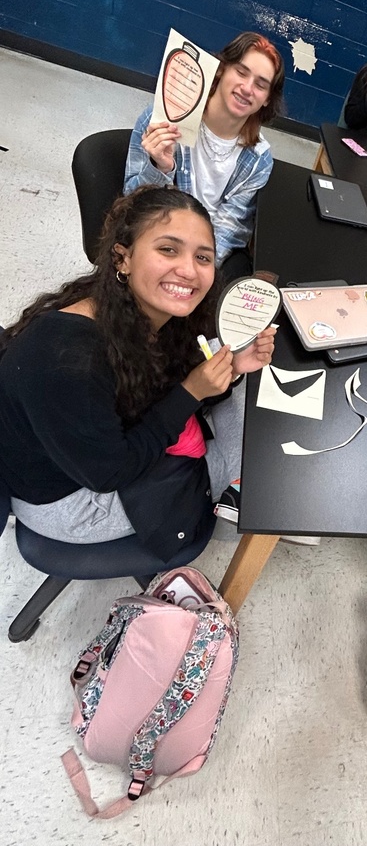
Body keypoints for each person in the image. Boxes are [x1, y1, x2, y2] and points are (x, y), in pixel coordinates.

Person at [0, 187, 275, 559]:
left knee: (249, 399)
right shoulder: (67, 360)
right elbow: (110, 473)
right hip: (70, 500)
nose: (189, 270)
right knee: (251, 454)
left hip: (95, 450)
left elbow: (155, 389)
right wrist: (191, 393)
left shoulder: (141, 313)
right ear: (123, 257)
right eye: (168, 249)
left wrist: (234, 368)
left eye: (203, 257)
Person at [124, 31, 286, 283]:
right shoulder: (163, 119)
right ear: (220, 70)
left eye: (261, 84)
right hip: (158, 230)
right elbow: (130, 203)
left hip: (206, 250)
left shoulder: (258, 158)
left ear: (267, 100)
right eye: (241, 72)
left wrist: (198, 267)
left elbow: (230, 227)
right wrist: (160, 168)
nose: (247, 88)